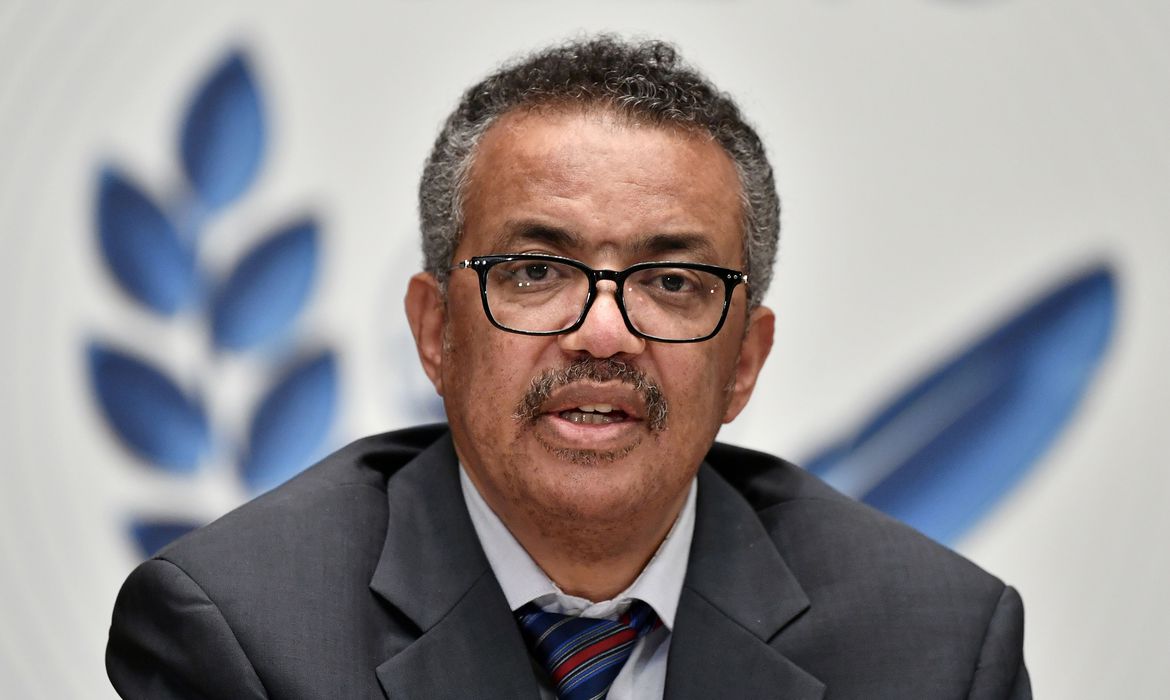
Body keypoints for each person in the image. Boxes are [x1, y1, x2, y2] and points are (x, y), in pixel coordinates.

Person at [106, 36, 1030, 699]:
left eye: (672, 282)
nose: (603, 333)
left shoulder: (936, 648)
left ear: (745, 361)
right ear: (436, 333)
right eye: (537, 272)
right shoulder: (243, 633)